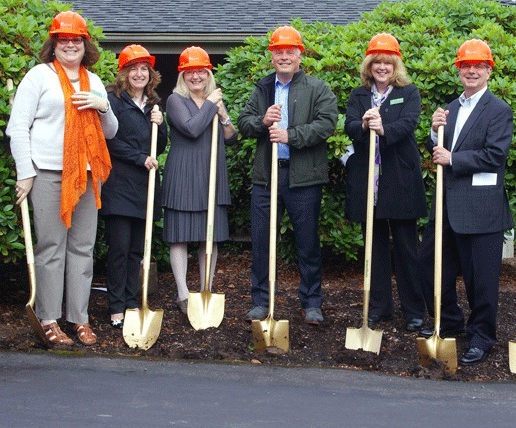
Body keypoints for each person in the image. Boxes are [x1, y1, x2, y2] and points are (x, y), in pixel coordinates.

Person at [6, 11, 118, 345]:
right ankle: (49, 319)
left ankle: (79, 319)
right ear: (54, 44)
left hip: (87, 175)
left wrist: (103, 105)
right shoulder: (39, 77)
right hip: (49, 172)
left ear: (86, 45)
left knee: (82, 249)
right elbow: (18, 128)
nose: (70, 45)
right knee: (52, 248)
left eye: (76, 40)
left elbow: (110, 131)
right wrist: (26, 173)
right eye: (64, 39)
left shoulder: (94, 81)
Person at [417, 39, 514, 365]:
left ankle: (481, 337)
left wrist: (452, 158)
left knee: (481, 282)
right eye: (465, 66)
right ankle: (452, 324)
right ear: (459, 71)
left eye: (478, 66)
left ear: (488, 71)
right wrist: (434, 132)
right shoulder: (450, 109)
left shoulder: (499, 110)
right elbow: (441, 146)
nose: (471, 71)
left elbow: (495, 155)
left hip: (480, 210)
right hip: (445, 209)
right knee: (431, 271)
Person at [237, 26, 338, 325]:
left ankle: (311, 303)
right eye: (278, 51)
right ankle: (261, 300)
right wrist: (261, 120)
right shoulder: (262, 88)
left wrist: (290, 136)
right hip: (267, 179)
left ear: (299, 55)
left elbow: (327, 124)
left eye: (289, 51)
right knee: (261, 241)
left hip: (303, 179)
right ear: (272, 56)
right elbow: (243, 124)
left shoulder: (318, 88)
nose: (284, 56)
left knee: (306, 242)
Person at [344, 33, 427, 332]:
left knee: (406, 249)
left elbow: (409, 124)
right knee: (374, 247)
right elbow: (349, 124)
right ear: (369, 65)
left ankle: (415, 310)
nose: (382, 67)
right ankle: (379, 307)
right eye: (377, 62)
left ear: (396, 66)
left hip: (401, 182)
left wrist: (384, 128)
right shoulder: (359, 95)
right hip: (370, 184)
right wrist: (365, 124)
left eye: (387, 62)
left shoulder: (409, 92)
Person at [162, 46, 237, 314]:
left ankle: (206, 287)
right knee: (180, 237)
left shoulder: (213, 103)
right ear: (183, 76)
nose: (196, 77)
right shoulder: (175, 101)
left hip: (211, 174)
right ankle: (182, 293)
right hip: (183, 173)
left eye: (201, 72)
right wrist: (211, 104)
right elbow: (192, 129)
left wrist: (223, 113)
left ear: (208, 74)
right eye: (190, 72)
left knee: (210, 237)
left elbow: (231, 136)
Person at [100, 45, 167, 329]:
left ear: (150, 74)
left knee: (137, 251)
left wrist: (160, 125)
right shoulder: (113, 101)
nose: (139, 74)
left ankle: (130, 303)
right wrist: (141, 158)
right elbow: (110, 141)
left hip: (145, 187)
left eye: (144, 69)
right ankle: (115, 307)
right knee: (119, 249)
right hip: (118, 186)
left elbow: (160, 146)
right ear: (124, 73)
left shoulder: (153, 105)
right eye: (133, 69)